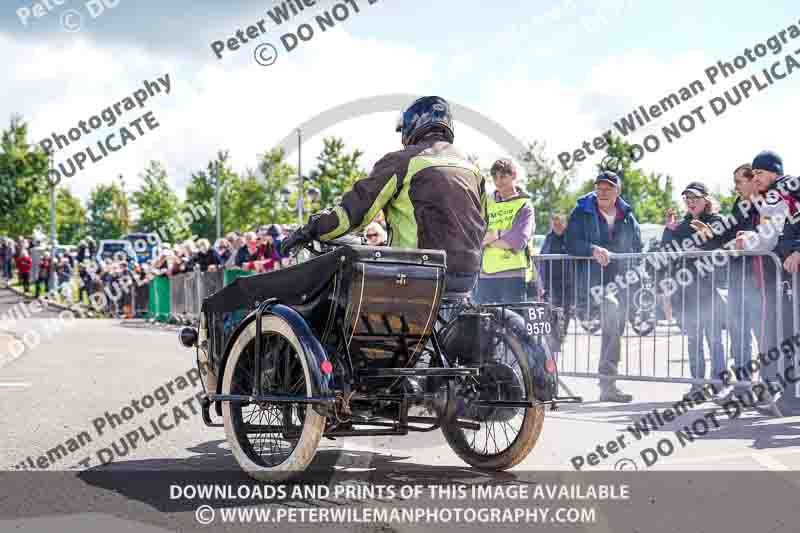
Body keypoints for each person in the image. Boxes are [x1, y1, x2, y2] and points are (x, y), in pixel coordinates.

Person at [281, 96, 487, 294]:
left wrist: (308, 230)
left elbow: (352, 214)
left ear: (412, 125)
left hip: (418, 274)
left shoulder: (403, 161)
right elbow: (483, 223)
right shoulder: (473, 169)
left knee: (340, 303)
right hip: (468, 277)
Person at [565, 170, 642, 402]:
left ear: (617, 191)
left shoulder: (627, 216)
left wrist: (635, 275)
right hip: (591, 284)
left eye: (608, 188)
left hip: (621, 283)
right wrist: (592, 249)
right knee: (612, 310)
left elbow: (637, 248)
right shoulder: (582, 212)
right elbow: (570, 243)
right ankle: (607, 382)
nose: (603, 192)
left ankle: (608, 385)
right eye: (599, 187)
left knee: (615, 327)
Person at [661, 182, 726, 401]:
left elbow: (722, 246)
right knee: (693, 340)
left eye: (695, 198)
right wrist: (668, 232)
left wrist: (707, 238)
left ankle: (719, 385)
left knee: (715, 339)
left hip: (711, 290)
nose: (690, 202)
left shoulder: (717, 221)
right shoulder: (682, 225)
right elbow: (668, 254)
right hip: (686, 293)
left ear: (706, 200)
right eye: (687, 199)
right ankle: (697, 386)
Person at [476, 158, 534, 304]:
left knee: (514, 324)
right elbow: (477, 236)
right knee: (486, 325)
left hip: (513, 274)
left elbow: (518, 241)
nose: (498, 181)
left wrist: (491, 238)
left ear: (513, 175)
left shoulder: (524, 205)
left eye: (503, 176)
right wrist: (500, 236)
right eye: (495, 177)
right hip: (486, 274)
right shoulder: (486, 204)